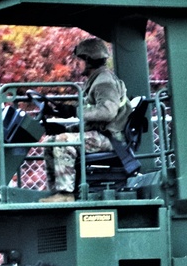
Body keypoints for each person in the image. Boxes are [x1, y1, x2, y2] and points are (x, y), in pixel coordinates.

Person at [41, 38, 130, 203]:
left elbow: (107, 112)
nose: (77, 64)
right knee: (50, 142)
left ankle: (66, 194)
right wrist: (65, 127)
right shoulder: (96, 79)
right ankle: (57, 192)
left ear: (90, 60)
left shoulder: (104, 81)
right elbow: (90, 116)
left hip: (110, 138)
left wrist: (75, 111)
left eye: (79, 60)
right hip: (100, 134)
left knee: (62, 143)